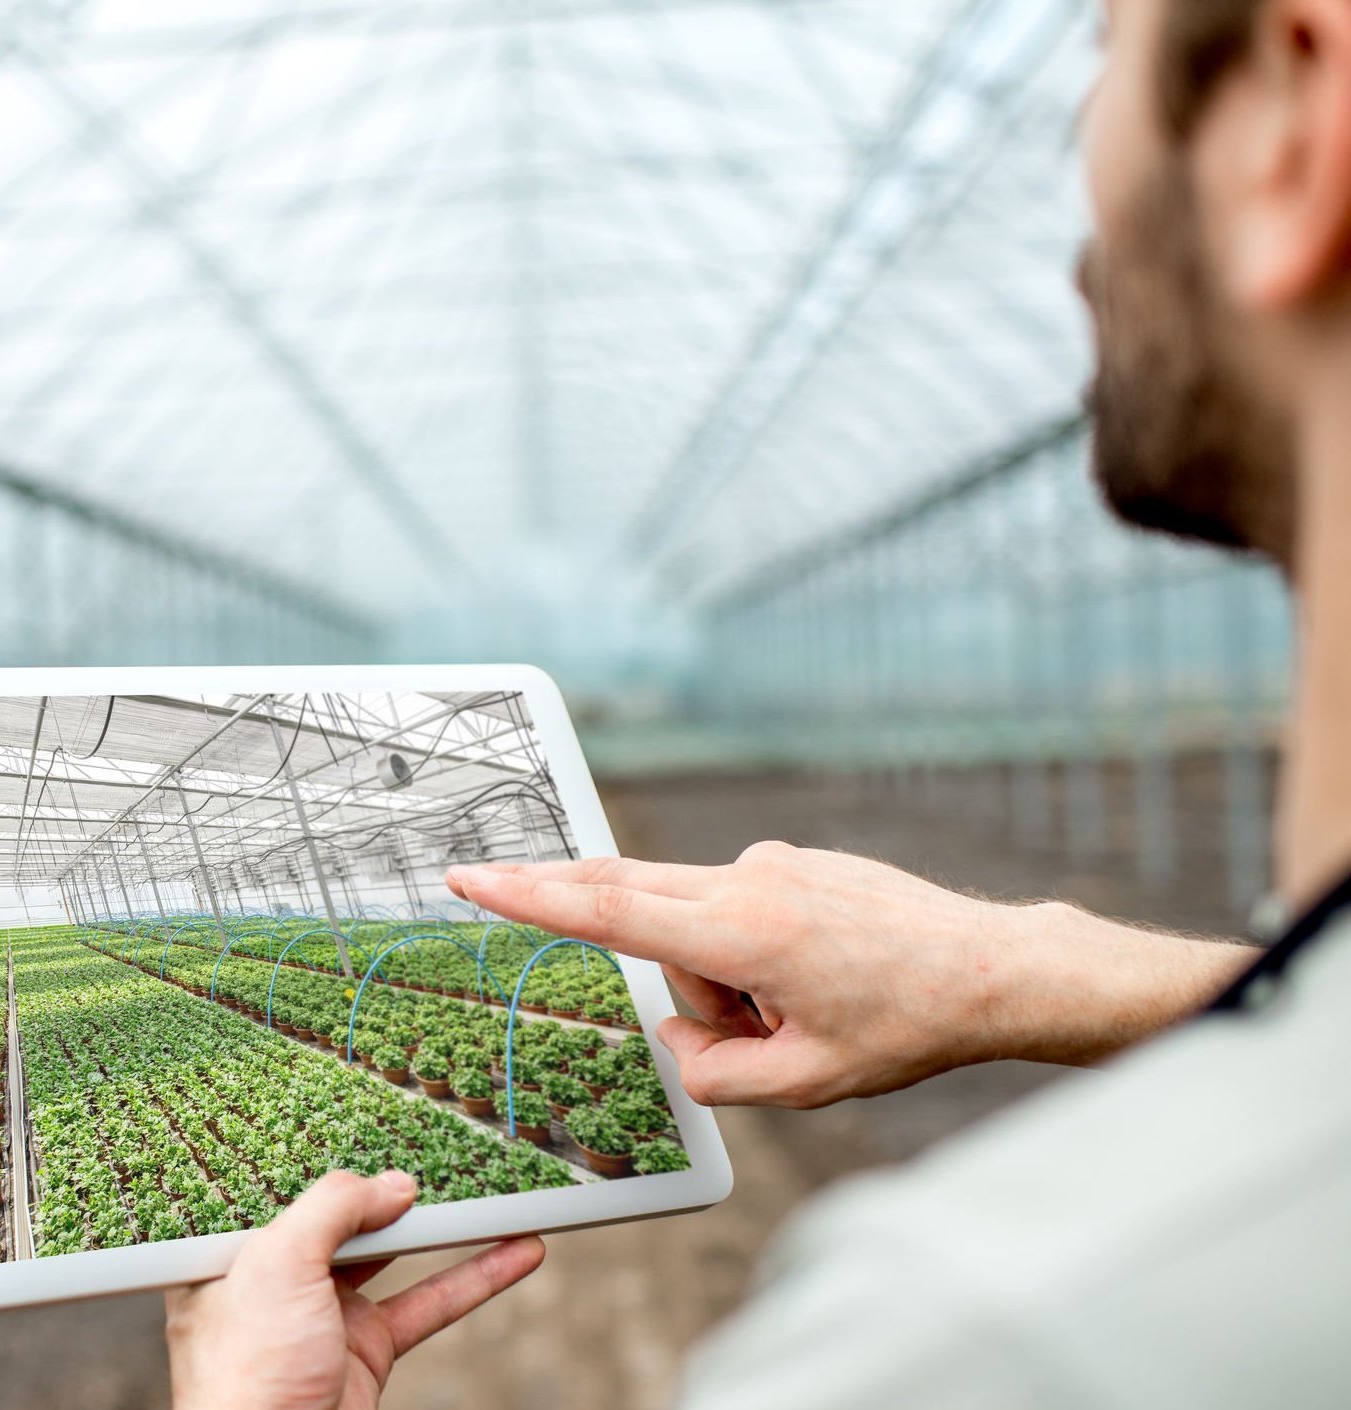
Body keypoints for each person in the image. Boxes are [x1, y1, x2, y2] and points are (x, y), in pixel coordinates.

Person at [162, 0, 1351, 1404]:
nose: (1078, 155)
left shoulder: (972, 1342)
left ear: (1293, 122)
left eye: (1101, 52)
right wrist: (1028, 965)